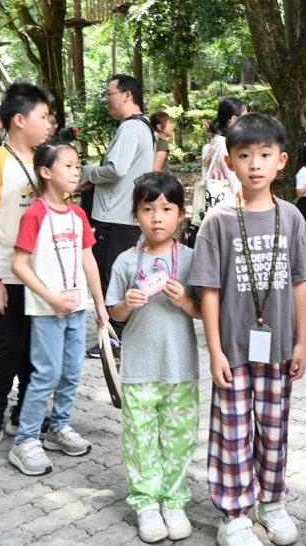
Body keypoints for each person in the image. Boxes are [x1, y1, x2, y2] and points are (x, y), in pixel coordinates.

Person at [188, 113, 306, 546]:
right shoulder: (218, 222)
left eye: (265, 155)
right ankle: (235, 515)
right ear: (230, 161)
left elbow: (298, 282)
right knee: (233, 431)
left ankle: (273, 504)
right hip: (234, 350)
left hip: (279, 348)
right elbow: (209, 291)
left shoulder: (293, 218)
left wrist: (301, 341)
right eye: (245, 156)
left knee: (274, 429)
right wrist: (215, 351)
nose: (255, 164)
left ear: (282, 160)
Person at [106, 172, 202, 543]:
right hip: (139, 369)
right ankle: (146, 503)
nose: (157, 217)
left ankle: (174, 500)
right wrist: (125, 305)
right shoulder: (126, 262)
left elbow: (204, 311)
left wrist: (185, 301)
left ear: (181, 214)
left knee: (179, 439)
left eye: (166, 209)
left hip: (181, 367)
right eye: (148, 209)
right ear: (136, 214)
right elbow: (113, 314)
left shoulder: (193, 259)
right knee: (140, 438)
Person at [9, 138, 108, 476]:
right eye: (68, 165)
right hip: (46, 311)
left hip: (77, 308)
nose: (75, 170)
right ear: (46, 172)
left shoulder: (78, 214)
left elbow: (88, 259)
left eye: (77, 165)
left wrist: (100, 303)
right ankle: (25, 441)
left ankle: (58, 428)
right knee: (46, 374)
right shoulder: (36, 213)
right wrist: (50, 298)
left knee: (70, 372)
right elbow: (19, 265)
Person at [0, 84, 52, 463]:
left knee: (37, 351)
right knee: (8, 348)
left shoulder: (47, 160)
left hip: (44, 276)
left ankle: (25, 414)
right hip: (9, 275)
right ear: (19, 120)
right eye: (43, 117)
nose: (49, 123)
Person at [81, 74, 155, 357]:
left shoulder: (129, 129)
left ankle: (116, 337)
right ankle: (125, 334)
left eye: (110, 94)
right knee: (123, 276)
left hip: (115, 217)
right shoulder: (145, 127)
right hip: (129, 216)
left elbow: (115, 169)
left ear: (126, 95)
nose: (107, 100)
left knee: (110, 278)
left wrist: (89, 172)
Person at [201, 98, 248, 192]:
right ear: (234, 119)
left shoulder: (217, 141)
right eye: (245, 118)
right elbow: (235, 184)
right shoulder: (223, 144)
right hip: (229, 202)